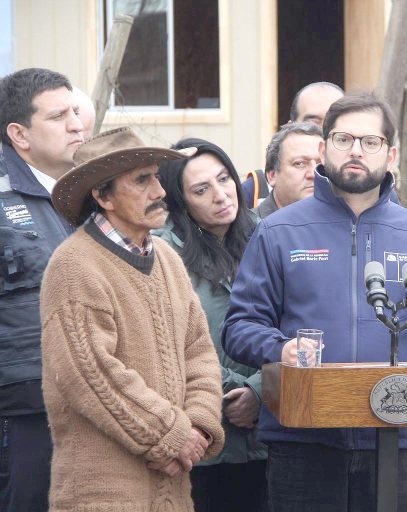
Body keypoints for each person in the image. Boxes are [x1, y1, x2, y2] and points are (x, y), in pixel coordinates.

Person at [221, 92, 407, 512]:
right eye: (343, 139)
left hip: (393, 434)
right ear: (324, 149)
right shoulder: (278, 231)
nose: (356, 151)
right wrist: (281, 348)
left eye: (370, 141)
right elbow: (238, 329)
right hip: (303, 438)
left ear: (391, 154)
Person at [41, 127, 225, 511]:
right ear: (102, 195)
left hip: (174, 492)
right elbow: (90, 373)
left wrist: (200, 424)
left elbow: (200, 354)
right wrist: (174, 435)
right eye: (142, 180)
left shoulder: (169, 260)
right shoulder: (73, 265)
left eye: (157, 176)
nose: (159, 191)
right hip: (101, 496)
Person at [156, 137, 268, 511]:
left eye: (224, 179)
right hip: (201, 438)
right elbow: (170, 340)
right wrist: (234, 393)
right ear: (180, 201)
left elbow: (301, 325)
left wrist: (260, 390)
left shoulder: (269, 236)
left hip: (271, 434)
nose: (221, 195)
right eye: (201, 189)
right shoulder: (163, 252)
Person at [0, 67, 84, 512]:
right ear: (20, 134)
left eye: (75, 111)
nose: (76, 124)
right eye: (58, 116)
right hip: (24, 413)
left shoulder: (88, 193)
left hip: (90, 407)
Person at [242, 81, 344, 208]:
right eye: (313, 124)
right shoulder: (256, 189)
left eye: (333, 124)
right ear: (290, 127)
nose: (324, 131)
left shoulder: (362, 184)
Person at [255, 122, 323, 221]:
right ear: (272, 176)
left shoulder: (343, 225)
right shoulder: (248, 231)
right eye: (299, 163)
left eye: (321, 164)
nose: (314, 173)